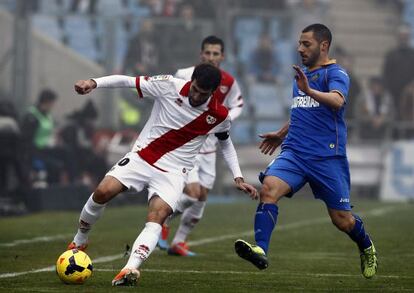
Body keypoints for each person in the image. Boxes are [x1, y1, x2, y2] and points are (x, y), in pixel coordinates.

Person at [68, 63, 258, 286]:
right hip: (142, 158)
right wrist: (93, 83)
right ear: (192, 81)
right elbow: (128, 81)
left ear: (213, 92)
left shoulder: (219, 115)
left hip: (174, 172)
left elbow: (225, 143)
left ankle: (129, 269)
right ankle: (79, 241)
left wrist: (238, 176)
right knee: (103, 191)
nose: (196, 96)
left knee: (157, 216)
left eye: (203, 93)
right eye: (195, 88)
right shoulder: (169, 85)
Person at [234, 24, 378, 279]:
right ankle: (260, 250)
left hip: (327, 158)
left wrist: (309, 90)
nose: (300, 49)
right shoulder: (301, 75)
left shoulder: (336, 73)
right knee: (268, 189)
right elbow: (303, 110)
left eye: (306, 44)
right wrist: (281, 134)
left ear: (323, 46)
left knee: (342, 220)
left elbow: (337, 101)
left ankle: (366, 245)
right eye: (299, 43)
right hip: (296, 153)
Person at [156, 35, 245, 256]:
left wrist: (225, 120)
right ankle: (161, 219)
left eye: (216, 54)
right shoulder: (184, 75)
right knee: (193, 193)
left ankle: (179, 242)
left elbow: (238, 105)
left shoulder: (229, 81)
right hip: (186, 144)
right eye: (208, 53)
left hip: (210, 145)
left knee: (201, 196)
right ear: (201, 54)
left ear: (222, 56)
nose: (211, 57)